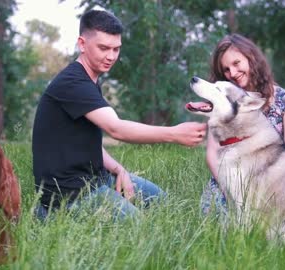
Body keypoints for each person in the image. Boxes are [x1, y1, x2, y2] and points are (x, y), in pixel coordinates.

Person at [32, 9, 207, 220]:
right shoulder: (72, 83)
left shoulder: (90, 81)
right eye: (104, 48)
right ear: (82, 44)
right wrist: (173, 134)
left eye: (116, 49)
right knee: (140, 228)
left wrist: (119, 169)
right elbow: (116, 128)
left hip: (97, 178)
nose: (111, 56)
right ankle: (45, 214)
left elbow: (86, 142)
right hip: (68, 194)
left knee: (164, 204)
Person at [200, 33, 285, 217]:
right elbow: (212, 155)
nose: (233, 73)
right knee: (221, 225)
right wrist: (234, 194)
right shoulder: (223, 101)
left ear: (251, 57)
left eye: (236, 63)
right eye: (226, 70)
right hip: (229, 183)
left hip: (274, 184)